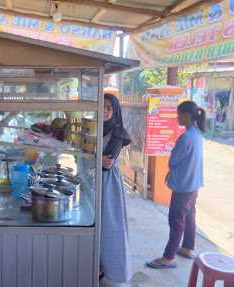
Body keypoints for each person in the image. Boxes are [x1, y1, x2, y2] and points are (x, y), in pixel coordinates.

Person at [147, 100, 205, 269]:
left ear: (186, 116)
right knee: (189, 216)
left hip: (184, 186)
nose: (176, 118)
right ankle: (187, 247)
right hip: (193, 184)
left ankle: (168, 257)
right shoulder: (197, 134)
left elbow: (173, 160)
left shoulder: (185, 137)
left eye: (178, 115)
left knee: (176, 220)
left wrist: (171, 169)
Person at [100, 93, 132, 287]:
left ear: (115, 111)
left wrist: (92, 157)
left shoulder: (118, 132)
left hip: (108, 184)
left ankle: (111, 269)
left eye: (109, 108)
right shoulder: (95, 128)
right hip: (94, 180)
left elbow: (106, 163)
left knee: (110, 225)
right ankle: (97, 264)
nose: (104, 111)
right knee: (96, 224)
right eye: (102, 107)